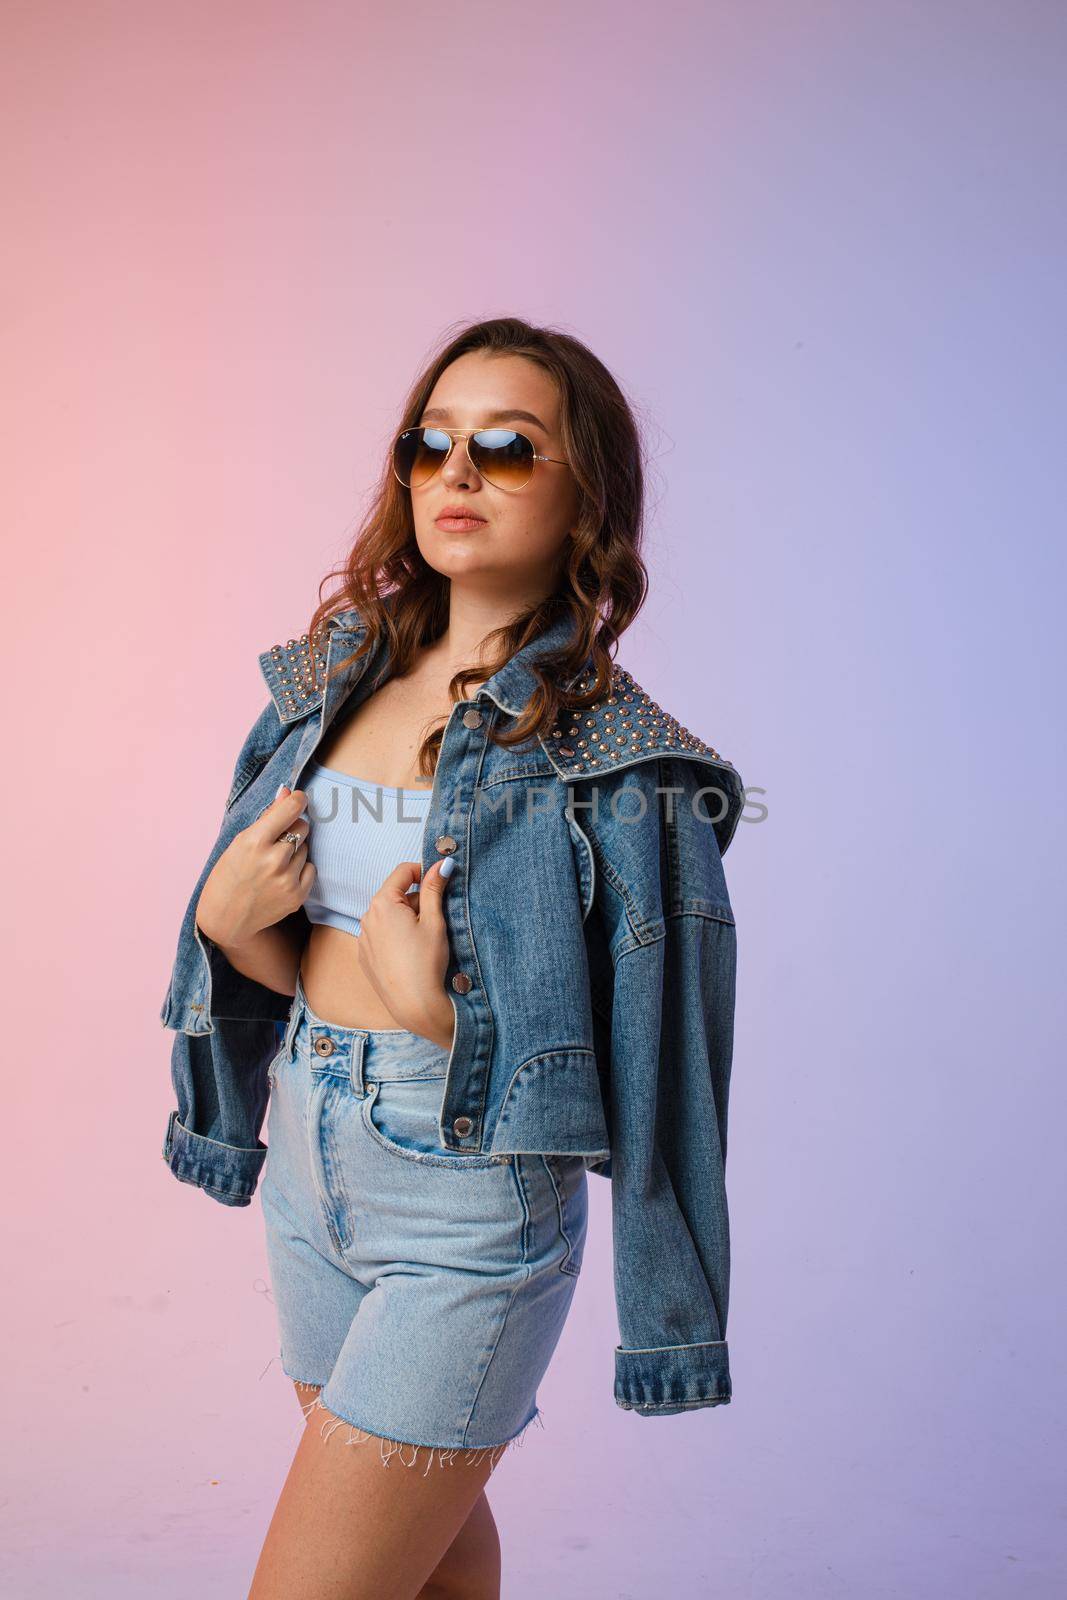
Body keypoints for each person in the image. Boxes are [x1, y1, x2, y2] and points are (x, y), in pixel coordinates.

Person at [159, 316, 745, 1600]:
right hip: (312, 1163)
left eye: (506, 448)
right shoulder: (326, 681)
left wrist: (445, 1019)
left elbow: (662, 1074)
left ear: (589, 490)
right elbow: (277, 951)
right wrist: (225, 923)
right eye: (429, 443)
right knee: (420, 1559)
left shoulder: (621, 760)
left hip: (469, 1192)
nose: (455, 473)